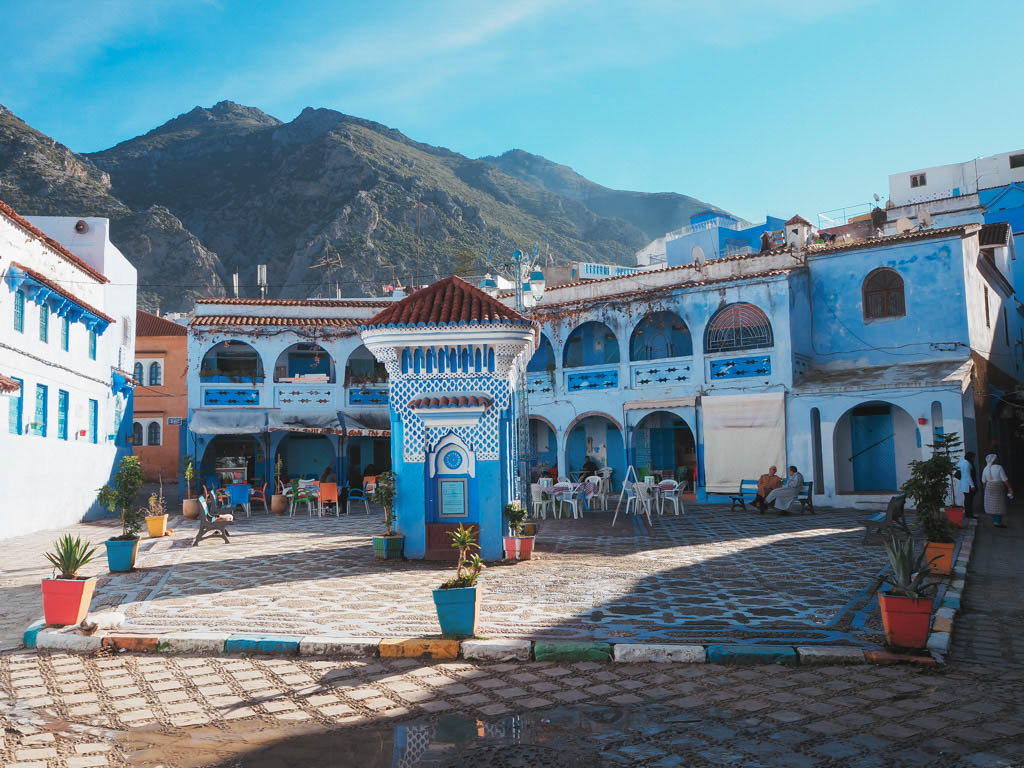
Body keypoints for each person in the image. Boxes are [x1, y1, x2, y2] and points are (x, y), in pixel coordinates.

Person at [982, 453, 1013, 529]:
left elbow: (983, 481)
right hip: (998, 487)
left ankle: (995, 521)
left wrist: (984, 490)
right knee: (999, 505)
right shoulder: (999, 467)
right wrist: (1009, 488)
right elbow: (1005, 479)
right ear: (995, 460)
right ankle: (997, 522)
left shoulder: (985, 468)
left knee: (992, 505)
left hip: (989, 487)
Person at [957, 451, 977, 518]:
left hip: (964, 483)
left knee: (967, 500)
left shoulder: (963, 462)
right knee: (969, 500)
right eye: (973, 457)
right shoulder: (967, 464)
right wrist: (972, 485)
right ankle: (969, 515)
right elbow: (968, 476)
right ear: (970, 457)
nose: (974, 458)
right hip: (968, 485)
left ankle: (968, 514)